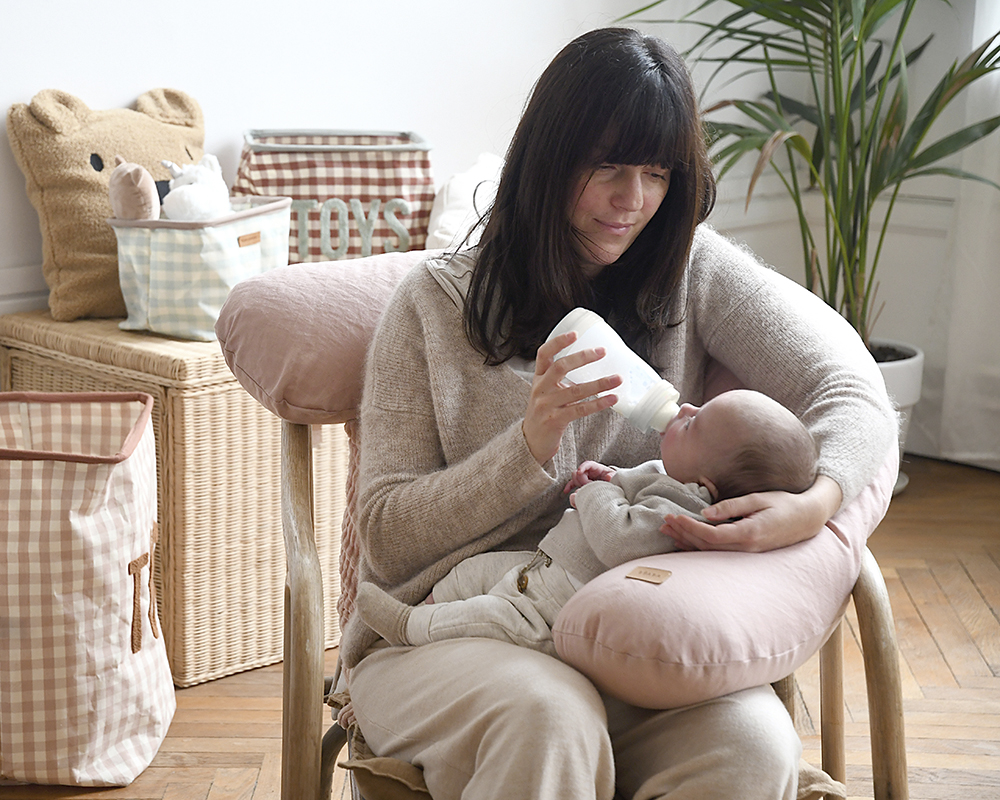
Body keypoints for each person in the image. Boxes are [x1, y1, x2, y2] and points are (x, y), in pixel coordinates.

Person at [341, 26, 895, 800]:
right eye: (607, 166)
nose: (631, 200)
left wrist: (813, 504)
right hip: (446, 627)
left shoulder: (690, 275)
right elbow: (389, 536)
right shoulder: (433, 308)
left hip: (633, 637)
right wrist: (528, 446)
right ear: (548, 158)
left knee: (753, 742)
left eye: (657, 172)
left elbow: (853, 389)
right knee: (549, 717)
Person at [355, 389, 818, 656]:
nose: (685, 410)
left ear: (706, 485)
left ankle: (412, 628)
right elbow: (637, 486)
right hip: (542, 568)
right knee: (471, 572)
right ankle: (427, 606)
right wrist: (612, 477)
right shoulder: (672, 479)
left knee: (487, 616)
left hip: (555, 606)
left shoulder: (686, 509)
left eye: (695, 425)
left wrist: (595, 491)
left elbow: (622, 538)